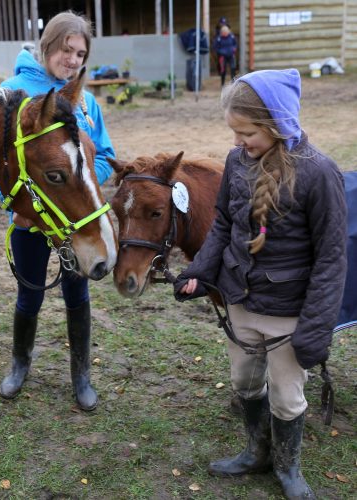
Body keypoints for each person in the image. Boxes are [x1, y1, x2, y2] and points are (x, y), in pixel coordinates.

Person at [174, 69, 347, 499]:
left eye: (246, 132)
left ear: (275, 123)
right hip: (239, 302)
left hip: (289, 314)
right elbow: (223, 227)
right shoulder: (236, 162)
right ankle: (256, 451)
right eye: (234, 132)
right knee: (245, 384)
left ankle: (288, 467)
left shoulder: (320, 173)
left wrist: (317, 327)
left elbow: (331, 258)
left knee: (287, 401)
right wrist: (200, 272)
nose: (237, 142)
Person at [0, 11, 115, 411]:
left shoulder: (85, 101)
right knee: (29, 295)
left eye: (81, 53)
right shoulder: (12, 93)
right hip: (30, 221)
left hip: (72, 221)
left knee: (77, 295)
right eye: (67, 50)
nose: (73, 60)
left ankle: (81, 376)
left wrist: (81, 182)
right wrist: (13, 203)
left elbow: (106, 156)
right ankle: (19, 365)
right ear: (47, 46)